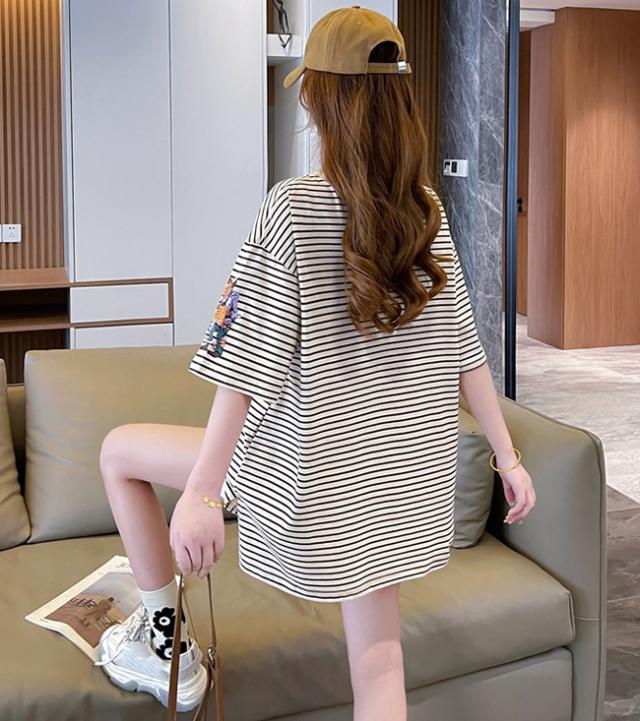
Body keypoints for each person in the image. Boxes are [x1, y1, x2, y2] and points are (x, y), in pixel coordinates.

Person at [94, 6, 536, 720]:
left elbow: (244, 364)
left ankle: (163, 641)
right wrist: (509, 459)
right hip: (394, 484)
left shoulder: (292, 207)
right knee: (381, 662)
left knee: (119, 451)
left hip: (304, 477)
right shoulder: (424, 211)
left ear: (318, 98)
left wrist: (203, 494)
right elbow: (466, 352)